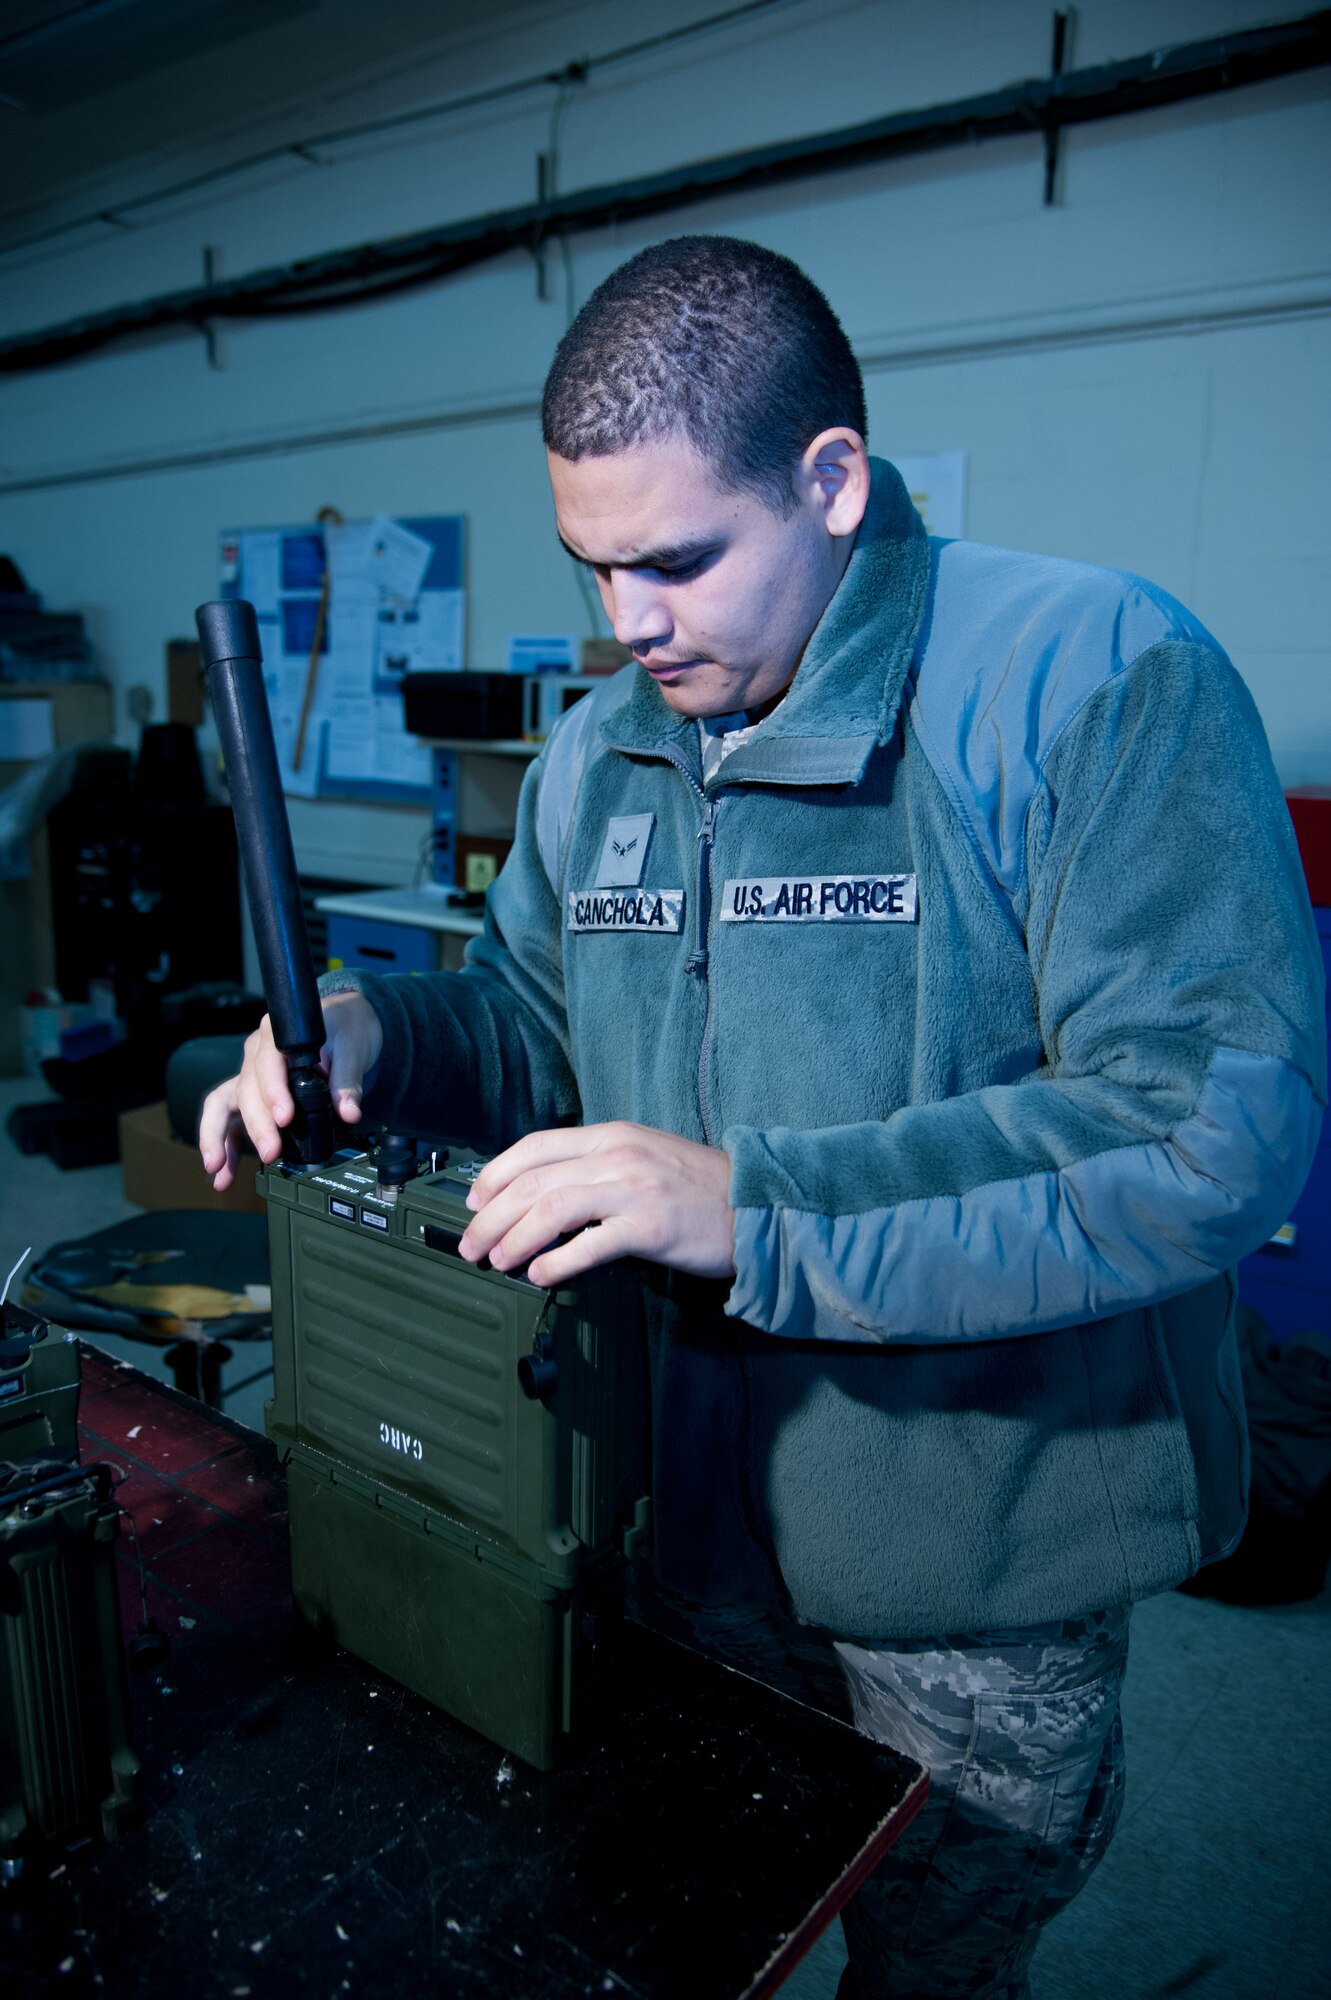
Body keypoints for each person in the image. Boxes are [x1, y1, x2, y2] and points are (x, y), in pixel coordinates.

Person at [200, 236, 1325, 1998]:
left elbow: (1203, 1134)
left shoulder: (1093, 679)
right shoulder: (603, 750)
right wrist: (372, 1033)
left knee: (937, 1961)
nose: (627, 624)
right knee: (675, 1917)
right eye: (594, 568)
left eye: (676, 563)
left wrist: (756, 1206)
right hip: (673, 1512)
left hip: (972, 1555)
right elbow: (532, 1021)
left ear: (832, 482)